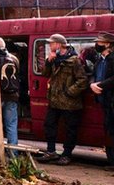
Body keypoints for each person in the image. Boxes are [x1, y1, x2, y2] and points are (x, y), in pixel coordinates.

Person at [38, 33, 88, 165]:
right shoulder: (55, 59)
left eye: (51, 43)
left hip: (69, 103)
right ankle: (51, 151)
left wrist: (69, 92)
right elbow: (45, 74)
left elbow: (82, 80)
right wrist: (49, 61)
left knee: (70, 129)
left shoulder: (74, 60)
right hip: (54, 101)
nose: (50, 46)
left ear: (59, 45)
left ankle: (66, 154)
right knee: (49, 125)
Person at [89, 31, 114, 178]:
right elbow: (94, 75)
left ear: (107, 44)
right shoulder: (100, 60)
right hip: (108, 102)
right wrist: (92, 84)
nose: (96, 45)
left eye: (99, 42)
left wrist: (101, 85)